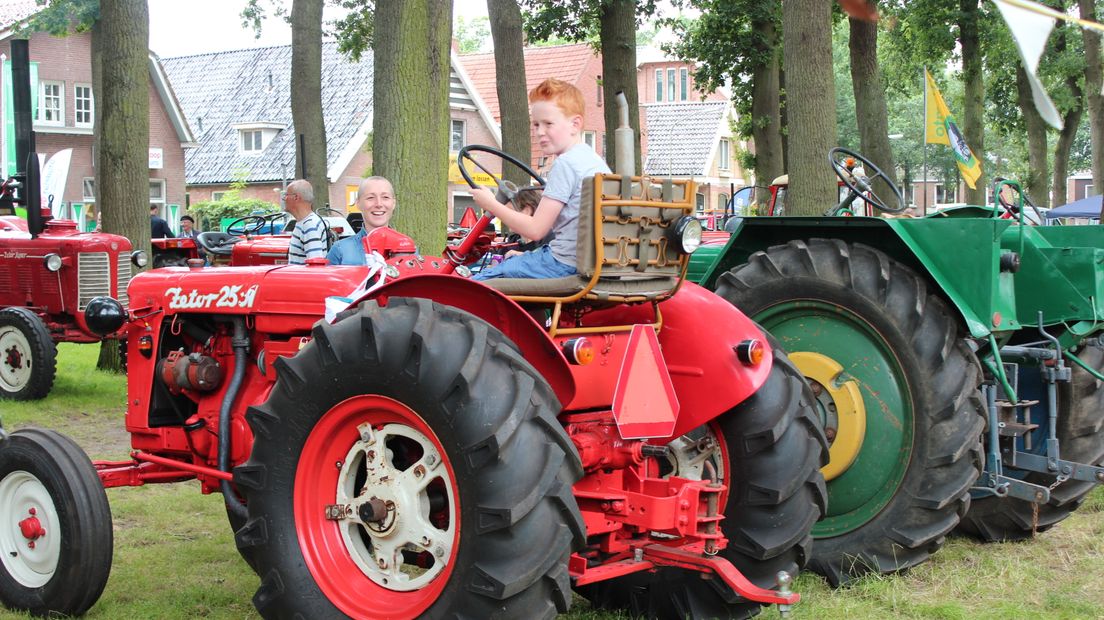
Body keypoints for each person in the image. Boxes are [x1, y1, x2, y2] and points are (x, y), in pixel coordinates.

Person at [470, 78, 610, 281]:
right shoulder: (594, 160)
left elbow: (536, 230)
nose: (539, 132)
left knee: (474, 284)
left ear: (575, 124)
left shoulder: (566, 164)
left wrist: (491, 204)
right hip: (583, 261)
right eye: (536, 124)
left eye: (548, 124)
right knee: (513, 261)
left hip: (564, 264)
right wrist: (530, 256)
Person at [327, 176, 398, 265]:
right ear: (358, 203)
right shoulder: (340, 250)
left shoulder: (408, 249)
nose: (379, 204)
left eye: (385, 197)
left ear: (393, 203)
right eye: (370, 198)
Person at [284, 179, 327, 265]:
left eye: (286, 195)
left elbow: (316, 265)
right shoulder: (304, 223)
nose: (284, 199)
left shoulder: (310, 225)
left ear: (296, 197)